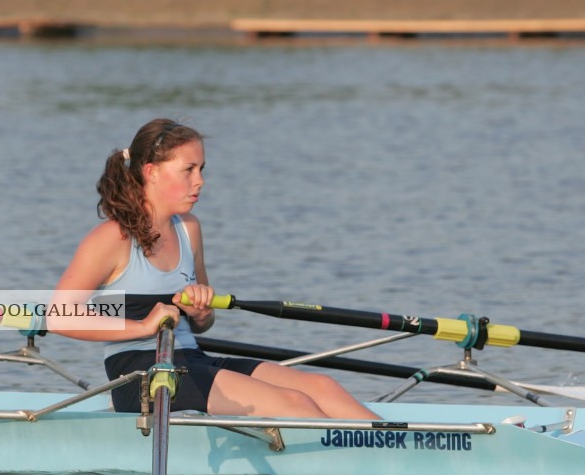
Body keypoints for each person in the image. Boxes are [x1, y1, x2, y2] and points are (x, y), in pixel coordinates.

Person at [51, 118, 378, 419]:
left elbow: (202, 324)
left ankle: (407, 448)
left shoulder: (188, 229)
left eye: (202, 169)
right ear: (151, 172)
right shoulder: (113, 237)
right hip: (141, 374)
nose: (200, 181)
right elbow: (59, 315)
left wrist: (202, 312)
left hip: (191, 358)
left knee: (322, 387)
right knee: (293, 403)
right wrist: (144, 326)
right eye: (189, 170)